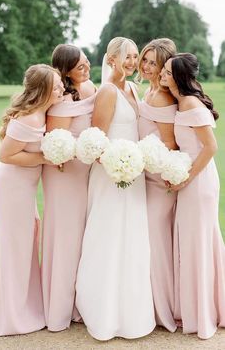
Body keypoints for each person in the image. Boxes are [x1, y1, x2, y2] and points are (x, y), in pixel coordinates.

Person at [76, 37, 155, 341]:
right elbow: (97, 139)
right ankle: (103, 311)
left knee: (132, 237)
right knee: (108, 235)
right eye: (128, 57)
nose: (134, 62)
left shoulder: (133, 88)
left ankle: (132, 312)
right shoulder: (107, 92)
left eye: (136, 57)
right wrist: (118, 164)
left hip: (133, 174)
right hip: (112, 174)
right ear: (111, 59)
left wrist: (133, 163)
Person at [0, 64, 64, 336]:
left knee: (25, 242)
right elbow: (6, 155)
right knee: (15, 247)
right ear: (42, 89)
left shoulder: (42, 112)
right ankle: (10, 315)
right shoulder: (31, 118)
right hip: (13, 186)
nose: (61, 89)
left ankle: (23, 306)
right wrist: (46, 157)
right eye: (55, 85)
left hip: (24, 186)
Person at [160, 52, 225, 339]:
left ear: (178, 77)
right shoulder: (179, 102)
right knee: (191, 243)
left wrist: (186, 177)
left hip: (198, 183)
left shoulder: (190, 103)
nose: (161, 73)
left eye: (166, 70)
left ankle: (203, 313)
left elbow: (210, 147)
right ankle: (198, 307)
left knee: (198, 244)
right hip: (190, 180)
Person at [41, 44, 96, 332]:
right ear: (65, 71)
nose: (85, 68)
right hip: (64, 172)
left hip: (85, 171)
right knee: (65, 237)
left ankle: (78, 303)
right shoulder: (61, 98)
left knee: (82, 237)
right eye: (78, 66)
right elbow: (55, 140)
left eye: (86, 62)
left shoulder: (91, 87)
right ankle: (58, 309)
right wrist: (73, 152)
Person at [137, 38, 178, 332]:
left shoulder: (163, 96)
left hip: (159, 178)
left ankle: (163, 309)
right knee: (147, 241)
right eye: (146, 60)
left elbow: (170, 143)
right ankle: (147, 304)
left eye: (155, 63)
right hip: (143, 177)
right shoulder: (147, 89)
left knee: (156, 240)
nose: (149, 67)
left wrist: (151, 163)